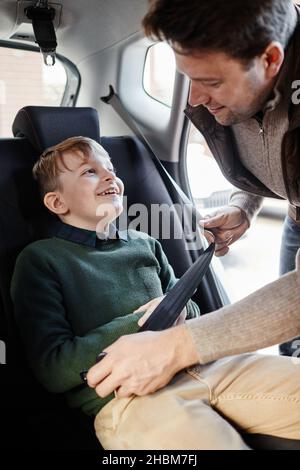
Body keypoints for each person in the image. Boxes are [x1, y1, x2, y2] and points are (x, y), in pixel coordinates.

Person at [11, 136, 300, 449]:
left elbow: (191, 310)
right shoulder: (41, 260)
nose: (110, 176)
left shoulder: (144, 244)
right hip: (130, 400)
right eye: (89, 172)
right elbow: (53, 368)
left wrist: (175, 309)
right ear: (57, 202)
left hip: (203, 367)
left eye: (111, 168)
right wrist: (140, 323)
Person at [139, 0, 300, 356]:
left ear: (270, 60)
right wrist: (244, 204)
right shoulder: (244, 79)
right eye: (188, 79)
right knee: (292, 351)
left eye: (210, 82)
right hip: (296, 214)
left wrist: (180, 346)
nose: (195, 98)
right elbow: (274, 149)